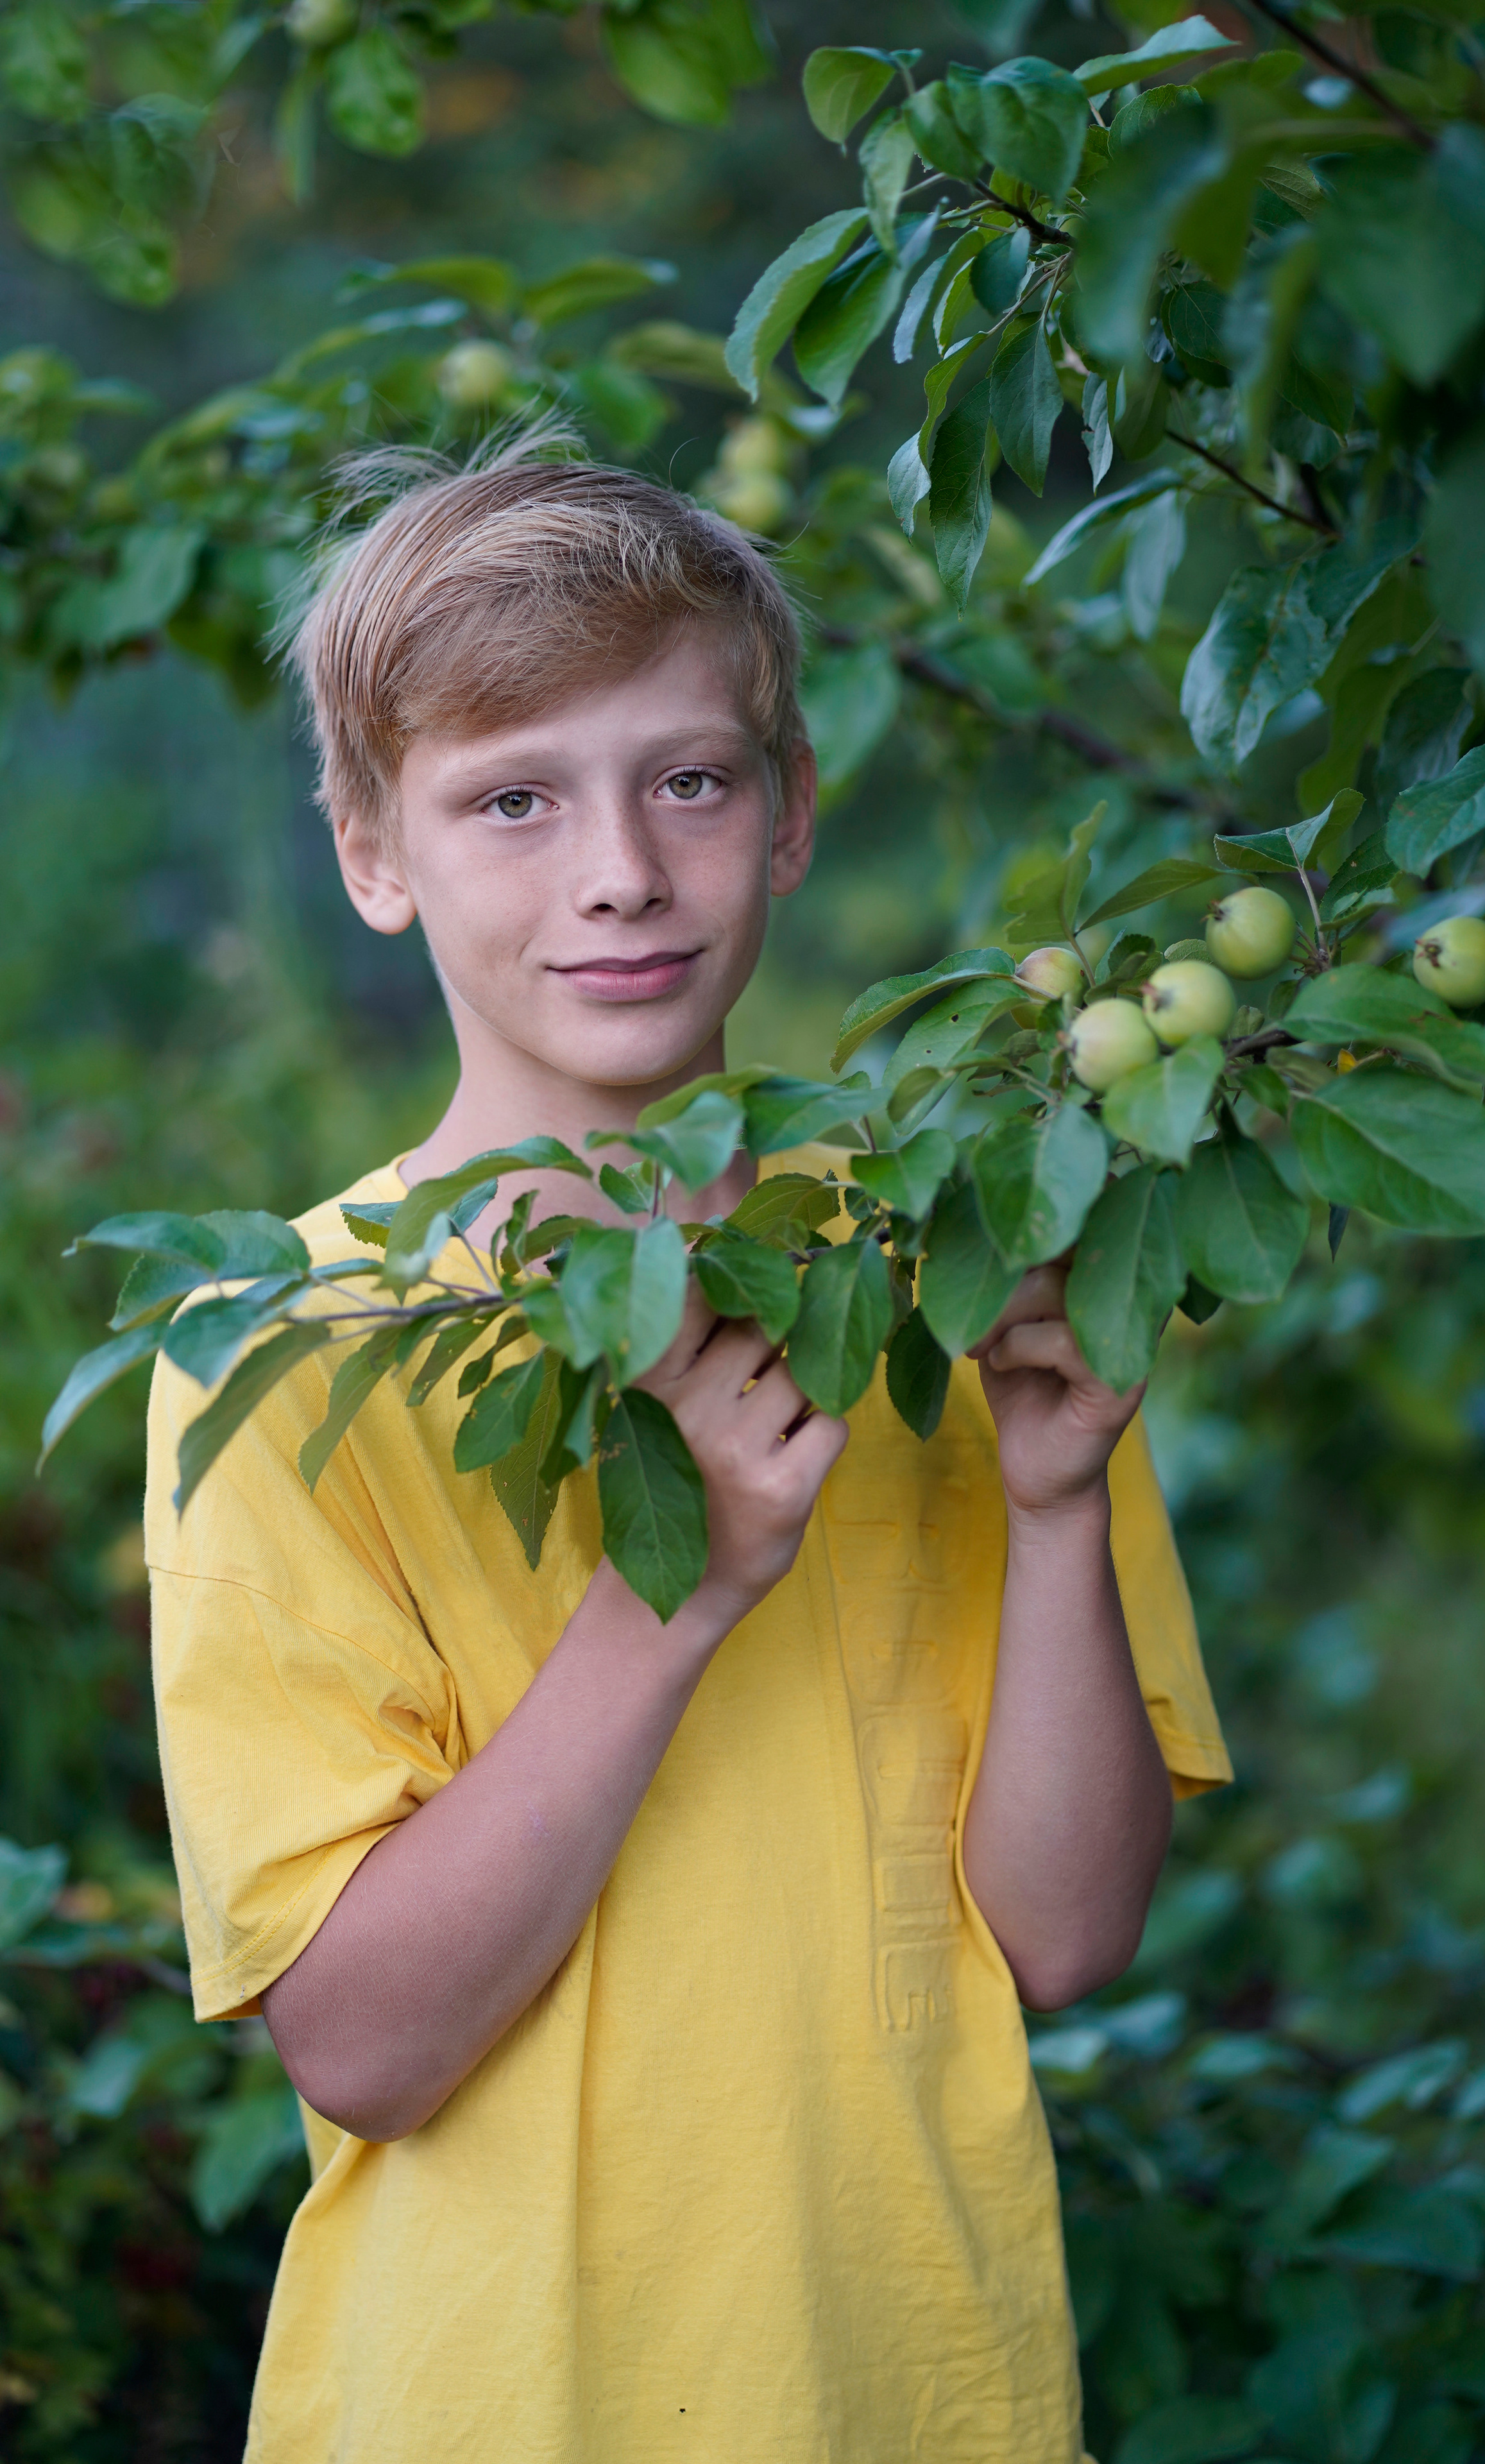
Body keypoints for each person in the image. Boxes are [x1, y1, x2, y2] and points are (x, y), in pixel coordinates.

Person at [145, 437, 1232, 2464]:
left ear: (792, 812)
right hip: (491, 2405)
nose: (624, 868)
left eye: (693, 779)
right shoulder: (282, 1360)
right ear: (374, 856)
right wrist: (692, 1586)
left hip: (928, 2393)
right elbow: (368, 2046)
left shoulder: (941, 1261)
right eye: (513, 800)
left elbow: (1067, 1942)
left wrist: (1060, 1503)